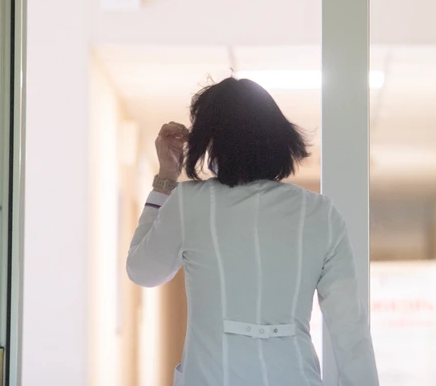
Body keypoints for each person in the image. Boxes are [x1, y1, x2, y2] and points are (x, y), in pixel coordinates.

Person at [126, 77, 380, 386]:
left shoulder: (190, 203)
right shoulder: (320, 213)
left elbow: (143, 271)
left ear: (211, 143)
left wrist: (166, 179)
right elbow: (350, 329)